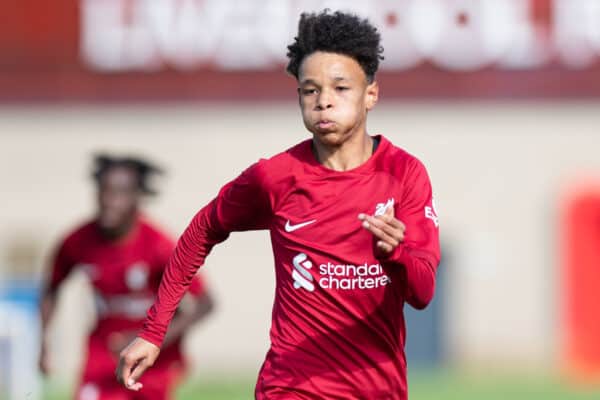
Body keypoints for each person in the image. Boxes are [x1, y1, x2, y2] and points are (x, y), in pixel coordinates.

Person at [117, 10, 440, 400]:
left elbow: (422, 294)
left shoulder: (403, 173)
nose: (323, 102)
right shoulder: (276, 177)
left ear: (370, 94)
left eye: (340, 88)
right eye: (310, 90)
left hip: (376, 388)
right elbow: (202, 230)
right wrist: (154, 331)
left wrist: (396, 254)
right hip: (290, 387)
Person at [39, 154, 214, 400]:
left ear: (136, 198)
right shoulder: (78, 242)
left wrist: (155, 338)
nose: (110, 201)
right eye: (104, 191)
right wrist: (43, 342)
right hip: (103, 354)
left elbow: (205, 303)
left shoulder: (158, 245)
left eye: (120, 193)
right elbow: (52, 287)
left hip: (151, 361)